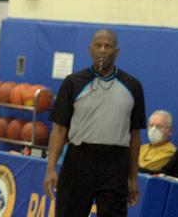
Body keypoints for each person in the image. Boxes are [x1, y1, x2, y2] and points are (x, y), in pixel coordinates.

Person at [43, 29, 145, 217]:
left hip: (115, 163)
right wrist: (51, 168)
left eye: (108, 46)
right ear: (90, 49)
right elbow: (59, 129)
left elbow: (136, 135)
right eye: (99, 45)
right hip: (79, 159)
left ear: (117, 51)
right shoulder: (73, 83)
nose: (103, 50)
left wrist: (133, 177)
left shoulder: (132, 86)